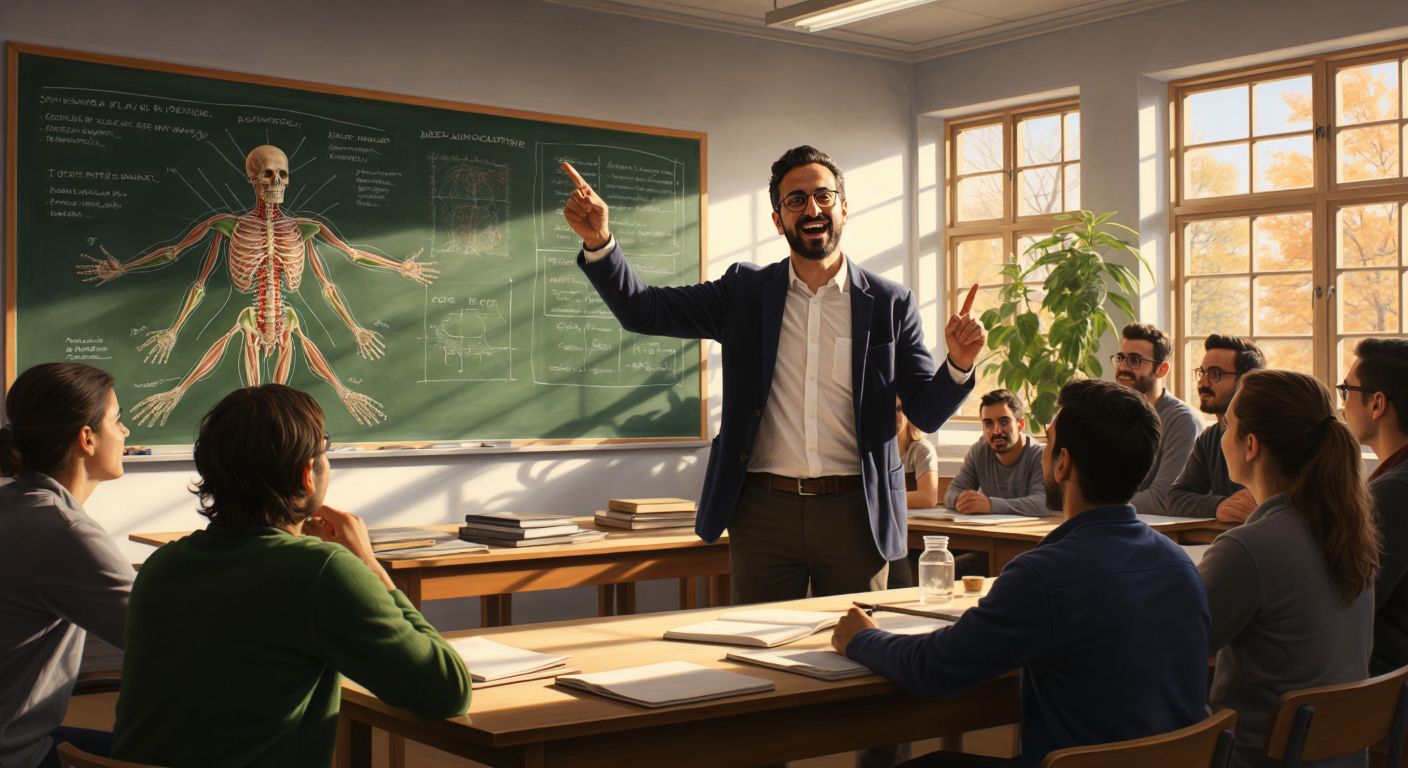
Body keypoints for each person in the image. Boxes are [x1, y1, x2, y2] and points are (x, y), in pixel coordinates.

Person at [562, 146, 983, 603]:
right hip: (764, 511)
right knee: (756, 645)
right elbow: (644, 310)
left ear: (843, 207)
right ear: (778, 220)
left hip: (855, 511)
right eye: (796, 200)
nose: (812, 209)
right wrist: (601, 243)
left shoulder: (890, 303)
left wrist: (957, 364)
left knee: (856, 648)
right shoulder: (744, 292)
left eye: (823, 196)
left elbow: (926, 410)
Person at [833, 379, 1209, 768]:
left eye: (1047, 441)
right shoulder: (1180, 565)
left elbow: (936, 668)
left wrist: (862, 639)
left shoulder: (1043, 575)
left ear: (1063, 463)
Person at [112, 385, 471, 767]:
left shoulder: (161, 565)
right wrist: (369, 562)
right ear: (307, 474)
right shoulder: (321, 570)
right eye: (324, 450)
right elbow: (446, 691)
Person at [1199, 369, 1379, 768]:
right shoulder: (1348, 530)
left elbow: (1175, 649)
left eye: (1226, 424)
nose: (1219, 436)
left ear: (1250, 445)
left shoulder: (1248, 548)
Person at [0, 363, 133, 768]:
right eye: (118, 420)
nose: (126, 432)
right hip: (18, 753)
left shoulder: (14, 502)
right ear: (87, 439)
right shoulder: (64, 532)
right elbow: (162, 635)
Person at [1340, 337, 1408, 676]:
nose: (1342, 405)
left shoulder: (1392, 493)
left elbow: (1354, 602)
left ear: (1377, 403)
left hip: (1381, 685)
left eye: (1346, 390)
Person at [1168, 334, 1265, 521]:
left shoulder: (1270, 434)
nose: (1203, 382)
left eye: (1215, 374)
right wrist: (1218, 506)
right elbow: (1175, 498)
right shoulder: (1209, 438)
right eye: (1202, 372)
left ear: (1246, 381)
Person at [1112, 322, 1202, 516]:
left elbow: (1164, 499)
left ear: (1162, 370)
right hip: (1116, 523)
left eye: (1134, 360)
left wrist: (1097, 504)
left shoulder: (1183, 421)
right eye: (1120, 358)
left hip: (1160, 533)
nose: (1122, 368)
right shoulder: (1113, 415)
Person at [943, 389, 1046, 517]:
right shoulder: (979, 451)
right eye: (988, 424)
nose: (996, 431)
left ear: (1020, 424)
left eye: (1004, 422)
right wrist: (961, 500)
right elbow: (951, 493)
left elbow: (1042, 503)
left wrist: (991, 505)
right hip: (990, 532)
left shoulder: (1040, 455)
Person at [888, 396, 941, 589]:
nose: (893, 416)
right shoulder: (877, 451)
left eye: (898, 409)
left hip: (916, 533)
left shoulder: (921, 449)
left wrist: (882, 498)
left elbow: (928, 497)